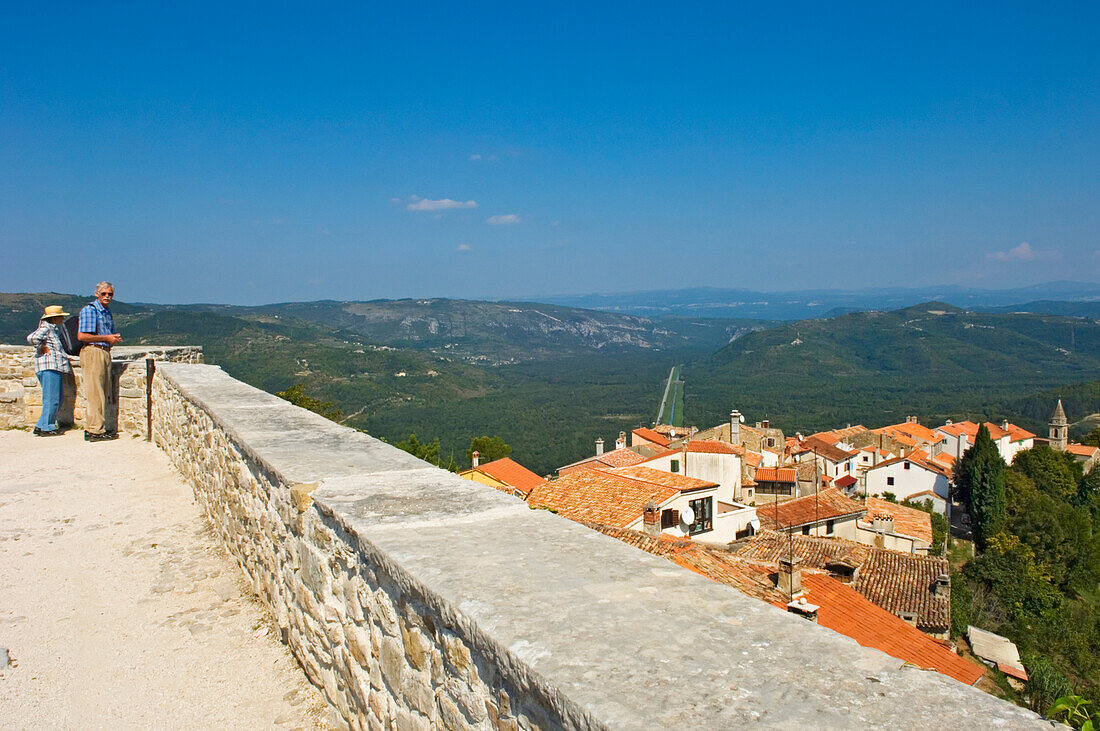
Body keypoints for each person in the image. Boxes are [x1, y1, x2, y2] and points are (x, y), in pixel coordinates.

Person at [77, 281, 122, 441]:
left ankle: (97, 428)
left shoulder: (106, 311)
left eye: (110, 294)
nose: (107, 297)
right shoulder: (90, 311)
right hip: (93, 351)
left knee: (102, 391)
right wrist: (106, 338)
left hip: (103, 351)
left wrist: (111, 339)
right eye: (104, 294)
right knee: (96, 393)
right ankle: (94, 430)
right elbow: (82, 336)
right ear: (96, 294)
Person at [26, 305, 72, 437]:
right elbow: (32, 338)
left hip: (51, 367)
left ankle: (41, 425)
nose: (63, 318)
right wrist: (42, 346)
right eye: (61, 316)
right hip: (49, 366)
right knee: (53, 399)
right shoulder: (46, 328)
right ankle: (47, 427)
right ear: (55, 318)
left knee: (55, 398)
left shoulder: (52, 329)